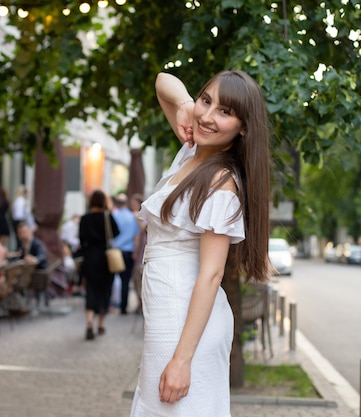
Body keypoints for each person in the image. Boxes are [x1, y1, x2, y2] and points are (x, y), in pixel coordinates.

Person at [129, 71, 270, 417]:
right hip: (169, 309)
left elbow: (211, 274)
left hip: (185, 318)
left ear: (243, 128)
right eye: (207, 101)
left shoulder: (220, 180)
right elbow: (162, 80)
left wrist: (181, 359)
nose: (208, 116)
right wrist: (186, 107)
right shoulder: (191, 151)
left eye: (225, 112)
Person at [78, 189, 120, 340]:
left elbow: (81, 240)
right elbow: (116, 233)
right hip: (105, 258)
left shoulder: (85, 218)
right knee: (104, 290)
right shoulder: (108, 217)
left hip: (89, 258)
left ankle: (89, 322)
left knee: (90, 290)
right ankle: (100, 324)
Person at [111, 194, 140, 315]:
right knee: (125, 280)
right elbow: (136, 237)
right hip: (128, 251)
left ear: (117, 203)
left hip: (114, 251)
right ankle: (123, 307)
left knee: (111, 279)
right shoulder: (132, 217)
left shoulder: (113, 215)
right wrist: (135, 252)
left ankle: (110, 305)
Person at [130, 193, 147, 315]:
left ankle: (142, 303)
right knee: (136, 276)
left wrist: (137, 218)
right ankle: (139, 301)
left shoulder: (145, 215)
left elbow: (144, 230)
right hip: (140, 249)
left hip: (146, 249)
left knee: (142, 276)